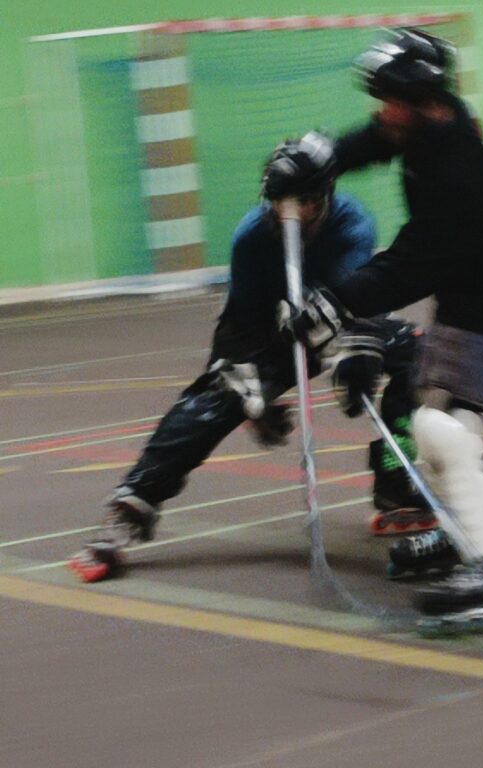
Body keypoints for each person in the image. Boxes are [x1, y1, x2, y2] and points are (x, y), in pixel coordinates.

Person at [68, 131, 431, 584]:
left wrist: (355, 357)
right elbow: (239, 324)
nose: (289, 215)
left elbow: (355, 301)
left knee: (415, 353)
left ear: (325, 196)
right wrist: (252, 393)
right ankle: (128, 510)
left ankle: (396, 485)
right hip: (271, 332)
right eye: (280, 204)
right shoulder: (252, 237)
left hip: (336, 317)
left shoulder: (353, 223)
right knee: (214, 397)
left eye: (302, 204)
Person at [288, 29, 483, 617]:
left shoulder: (456, 173)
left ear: (416, 97)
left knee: (440, 426)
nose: (382, 112)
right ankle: (471, 537)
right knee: (447, 423)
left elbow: (413, 262)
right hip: (478, 294)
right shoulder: (435, 121)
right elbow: (378, 140)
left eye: (389, 99)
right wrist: (319, 162)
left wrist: (336, 303)